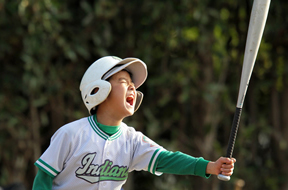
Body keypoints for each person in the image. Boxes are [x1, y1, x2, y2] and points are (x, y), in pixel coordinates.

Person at [32, 56, 236, 190]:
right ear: (98, 89)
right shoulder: (70, 134)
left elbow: (168, 159)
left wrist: (209, 166)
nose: (132, 89)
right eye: (123, 82)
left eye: (133, 86)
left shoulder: (132, 140)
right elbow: (43, 179)